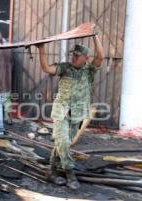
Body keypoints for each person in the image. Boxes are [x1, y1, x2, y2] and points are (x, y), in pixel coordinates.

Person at [36, 34, 104, 190]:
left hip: (78, 114)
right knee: (64, 142)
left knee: (62, 144)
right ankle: (69, 173)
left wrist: (95, 35)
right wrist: (41, 48)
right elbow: (46, 68)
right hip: (61, 111)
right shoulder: (65, 68)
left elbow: (101, 56)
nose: (73, 57)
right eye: (73, 54)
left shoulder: (90, 71)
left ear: (85, 58)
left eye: (77, 56)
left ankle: (51, 171)